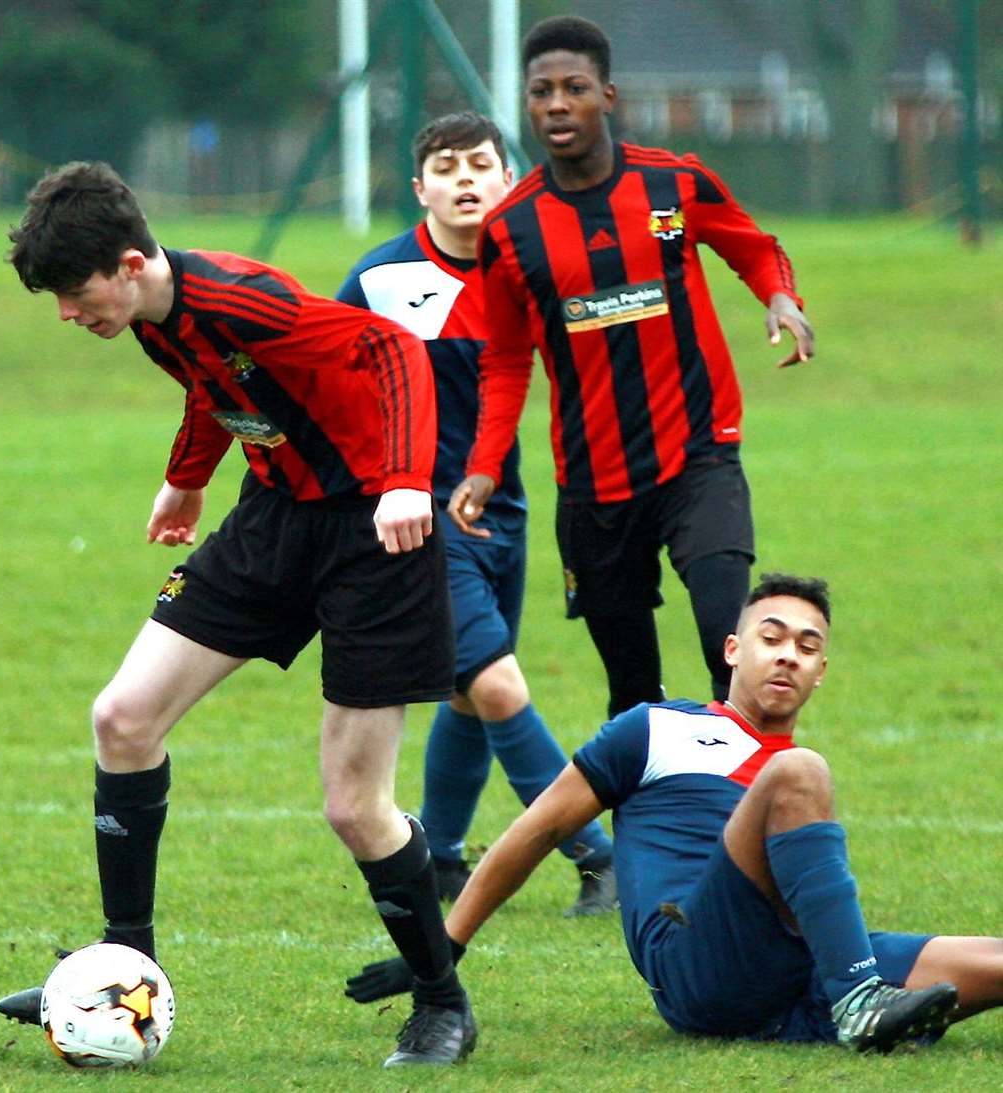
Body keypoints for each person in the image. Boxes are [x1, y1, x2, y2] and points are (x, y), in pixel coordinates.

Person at [0, 161, 477, 1067]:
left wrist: (411, 480)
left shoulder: (247, 299)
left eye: (74, 292)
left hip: (378, 532)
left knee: (354, 804)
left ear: (131, 264)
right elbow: (215, 384)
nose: (68, 312)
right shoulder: (152, 314)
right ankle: (124, 962)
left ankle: (443, 1002)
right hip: (272, 521)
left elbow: (392, 352)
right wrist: (187, 478)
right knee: (123, 718)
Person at [343, 573, 1003, 1052]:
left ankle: (839, 1004)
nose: (787, 655)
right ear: (732, 650)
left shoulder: (792, 782)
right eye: (771, 637)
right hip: (697, 963)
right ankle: (859, 1001)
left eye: (806, 646)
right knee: (801, 771)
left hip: (790, 964)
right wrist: (441, 951)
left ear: (820, 671)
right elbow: (538, 829)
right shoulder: (658, 729)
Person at [448, 16, 816, 719]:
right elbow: (503, 360)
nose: (557, 104)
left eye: (574, 88)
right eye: (541, 92)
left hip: (698, 461)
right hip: (593, 486)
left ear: (607, 97)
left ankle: (746, 825)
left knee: (728, 649)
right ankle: (646, 832)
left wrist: (781, 299)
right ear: (527, 104)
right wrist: (486, 463)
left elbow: (754, 246)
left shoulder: (672, 186)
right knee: (632, 696)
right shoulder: (509, 229)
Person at [337, 111, 616, 916]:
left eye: (481, 165)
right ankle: (599, 856)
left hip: (506, 508)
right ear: (420, 187)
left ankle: (443, 857)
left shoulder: (533, 272)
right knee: (494, 685)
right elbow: (324, 372)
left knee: (466, 693)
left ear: (509, 180)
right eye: (446, 166)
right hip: (418, 517)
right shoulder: (380, 281)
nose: (465, 179)